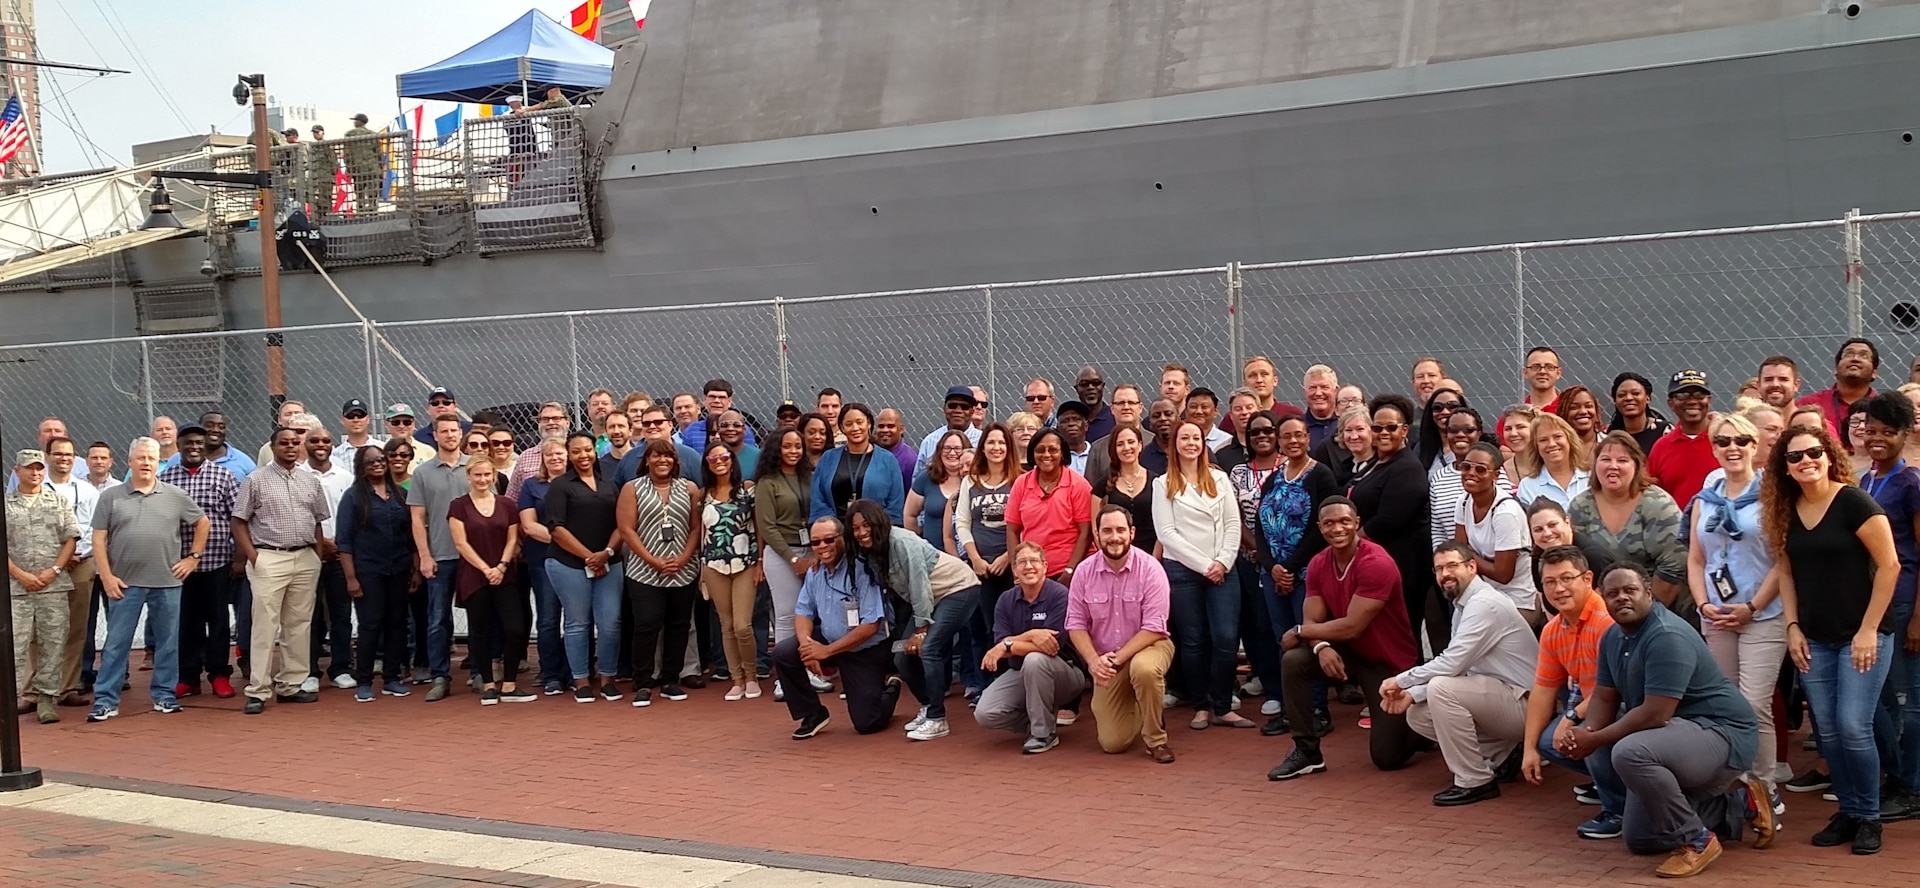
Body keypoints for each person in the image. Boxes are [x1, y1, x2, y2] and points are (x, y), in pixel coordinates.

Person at [1559, 564, 1770, 877]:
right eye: (1613, 593)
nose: (1621, 598)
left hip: (1720, 731)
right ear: (1602, 598)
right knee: (1641, 839)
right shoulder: (1612, 638)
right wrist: (1584, 733)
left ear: (1648, 593)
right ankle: (1739, 804)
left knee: (1628, 751)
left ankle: (1697, 841)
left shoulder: (1666, 634)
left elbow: (1656, 714)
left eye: (1630, 590)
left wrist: (1596, 739)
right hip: (1675, 738)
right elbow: (1605, 696)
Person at [1767, 421, 1900, 853]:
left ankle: (1869, 817)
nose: (1805, 461)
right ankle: (1848, 809)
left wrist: (1867, 630)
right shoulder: (1785, 509)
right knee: (1828, 730)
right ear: (1784, 467)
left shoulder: (1853, 503)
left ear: (1829, 456)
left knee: (1853, 727)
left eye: (1813, 453)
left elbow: (1890, 566)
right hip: (1815, 639)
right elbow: (1786, 572)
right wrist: (1791, 626)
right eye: (1795, 456)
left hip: (1863, 635)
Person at [1268, 498, 1422, 780]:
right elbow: (1312, 618)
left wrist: (1300, 632)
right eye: (1329, 523)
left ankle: (1423, 724)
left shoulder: (1376, 562)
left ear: (1357, 523)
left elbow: (1352, 626)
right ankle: (1307, 752)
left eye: (1344, 521)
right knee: (1294, 660)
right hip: (1347, 653)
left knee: (1387, 758)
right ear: (1319, 527)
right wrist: (1321, 645)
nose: (1337, 528)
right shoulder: (1317, 563)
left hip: (1386, 661)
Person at [1380, 542, 1538, 806]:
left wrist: (1402, 679)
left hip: (1529, 706)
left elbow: (1452, 664)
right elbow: (1462, 666)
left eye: (1452, 566)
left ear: (1472, 567)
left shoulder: (1483, 603)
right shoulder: (1464, 604)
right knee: (1418, 713)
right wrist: (1413, 693)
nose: (1445, 574)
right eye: (1439, 569)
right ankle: (1504, 752)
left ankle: (1475, 781)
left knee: (1441, 688)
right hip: (1503, 698)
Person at [1686, 412, 1787, 811]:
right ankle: (1734, 786)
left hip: (1762, 614)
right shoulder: (1706, 493)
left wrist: (1751, 606)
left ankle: (1764, 789)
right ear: (1713, 447)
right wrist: (1702, 603)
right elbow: (1695, 558)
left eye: (1741, 440)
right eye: (1723, 441)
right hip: (1717, 616)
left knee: (1754, 703)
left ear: (1755, 446)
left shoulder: (1771, 494)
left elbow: (1783, 560)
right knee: (1727, 706)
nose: (1732, 448)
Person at [88, 437, 207, 723]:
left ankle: (165, 695)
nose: (146, 463)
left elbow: (202, 522)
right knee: (117, 643)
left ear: (159, 463)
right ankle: (105, 700)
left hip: (167, 582)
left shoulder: (174, 495)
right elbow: (98, 538)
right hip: (124, 583)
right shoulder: (111, 497)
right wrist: (106, 576)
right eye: (140, 458)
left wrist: (193, 557)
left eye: (151, 459)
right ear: (130, 462)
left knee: (167, 642)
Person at [842, 499, 977, 739]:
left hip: (958, 589)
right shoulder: (871, 551)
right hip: (929, 601)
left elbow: (919, 585)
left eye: (866, 525)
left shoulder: (902, 541)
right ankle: (927, 705)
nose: (861, 533)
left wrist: (921, 629)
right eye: (855, 528)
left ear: (878, 522)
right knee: (902, 656)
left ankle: (937, 719)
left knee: (929, 648)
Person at [1520, 546, 1626, 838]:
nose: (1559, 588)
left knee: (1586, 731)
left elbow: (1615, 688)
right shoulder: (1553, 630)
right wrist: (1529, 749)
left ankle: (1618, 809)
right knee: (1548, 742)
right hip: (1594, 704)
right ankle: (1608, 780)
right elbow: (1542, 690)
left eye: (1567, 578)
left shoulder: (1607, 621)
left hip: (1629, 705)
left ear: (1588, 579)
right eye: (1550, 582)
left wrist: (1570, 716)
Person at [1153, 420, 1251, 730]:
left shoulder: (1220, 479)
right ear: (1175, 444)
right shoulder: (1163, 483)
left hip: (1223, 569)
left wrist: (1222, 562)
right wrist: (1205, 565)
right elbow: (1167, 534)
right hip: (1183, 571)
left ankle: (1223, 705)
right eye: (1184, 438)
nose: (1191, 443)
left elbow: (1234, 524)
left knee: (1225, 638)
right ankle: (1200, 705)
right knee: (1193, 641)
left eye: (1196, 438)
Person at [773, 515, 902, 738]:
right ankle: (813, 714)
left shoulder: (862, 568)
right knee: (784, 653)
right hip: (829, 640)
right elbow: (803, 611)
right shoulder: (815, 570)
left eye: (829, 540)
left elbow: (871, 625)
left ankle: (891, 688)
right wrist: (807, 648)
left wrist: (825, 651)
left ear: (842, 538)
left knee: (867, 723)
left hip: (864, 649)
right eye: (816, 542)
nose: (822, 546)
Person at [232, 426, 331, 715]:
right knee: (264, 626)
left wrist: (317, 554)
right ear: (273, 447)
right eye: (283, 443)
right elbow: (238, 521)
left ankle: (291, 685)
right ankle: (258, 690)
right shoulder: (256, 480)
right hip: (269, 558)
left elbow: (317, 520)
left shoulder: (309, 482)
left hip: (304, 558)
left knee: (298, 625)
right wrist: (253, 557)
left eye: (294, 443)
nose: (290, 447)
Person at [1068, 505, 1176, 762]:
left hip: (1149, 646)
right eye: (1107, 531)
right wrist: (1095, 662)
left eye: (1120, 530)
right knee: (1112, 743)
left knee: (1144, 670)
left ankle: (1156, 739)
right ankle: (1143, 703)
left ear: (1132, 533)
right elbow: (1075, 624)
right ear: (1097, 534)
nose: (1114, 537)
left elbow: (1154, 627)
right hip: (1107, 659)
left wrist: (1117, 659)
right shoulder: (1083, 572)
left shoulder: (1150, 568)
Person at [1855, 393, 1920, 820]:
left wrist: (1917, 618)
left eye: (1888, 432)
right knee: (1877, 698)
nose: (1877, 439)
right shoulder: (1866, 480)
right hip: (1872, 599)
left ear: (1904, 434)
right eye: (1871, 431)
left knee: (1911, 700)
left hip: (1905, 599)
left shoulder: (1911, 483)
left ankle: (1912, 787)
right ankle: (1895, 774)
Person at [1253, 413, 1338, 735]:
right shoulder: (1275, 478)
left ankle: (1317, 708)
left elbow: (1322, 528)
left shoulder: (1321, 475)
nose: (1292, 441)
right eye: (1286, 436)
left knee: (1309, 637)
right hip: (1274, 576)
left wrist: (1289, 567)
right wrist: (1270, 565)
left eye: (1298, 435)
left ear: (1307, 438)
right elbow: (1261, 523)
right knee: (1283, 641)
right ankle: (1291, 709)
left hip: (1306, 574)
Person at [975, 540, 1087, 754]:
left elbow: (1051, 647)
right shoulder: (1005, 600)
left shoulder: (1060, 595)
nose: (1028, 566)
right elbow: (1002, 643)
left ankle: (1043, 735)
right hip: (1021, 672)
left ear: (1045, 566)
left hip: (1066, 673)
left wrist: (1008, 645)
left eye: (1034, 561)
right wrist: (1031, 635)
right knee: (985, 713)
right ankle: (1040, 720)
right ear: (1014, 570)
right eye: (1022, 562)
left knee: (1035, 660)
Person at [154, 425, 241, 701]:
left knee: (218, 621)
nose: (194, 447)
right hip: (180, 567)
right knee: (185, 623)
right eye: (188, 442)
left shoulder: (223, 476)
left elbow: (238, 518)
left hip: (217, 562)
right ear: (178, 445)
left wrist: (238, 556)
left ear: (205, 446)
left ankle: (219, 675)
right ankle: (188, 677)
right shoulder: (165, 479)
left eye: (199, 443)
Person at [617, 438, 705, 708]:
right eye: (656, 456)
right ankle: (643, 682)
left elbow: (695, 528)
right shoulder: (632, 488)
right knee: (647, 624)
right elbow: (626, 530)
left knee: (679, 625)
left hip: (682, 568)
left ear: (675, 460)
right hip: (644, 569)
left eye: (667, 456)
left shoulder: (688, 488)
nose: (662, 461)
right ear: (647, 460)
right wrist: (653, 560)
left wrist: (683, 558)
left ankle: (670, 680)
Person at [1347, 394, 1439, 652]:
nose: (1383, 433)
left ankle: (1407, 687)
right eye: (1377, 428)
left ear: (1405, 430)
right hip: (1376, 563)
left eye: (1391, 427)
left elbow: (1388, 521)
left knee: (1402, 634)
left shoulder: (1407, 468)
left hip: (1403, 568)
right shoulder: (1378, 463)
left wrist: (1349, 545)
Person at [1568, 432, 1688, 622]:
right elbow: (1574, 562)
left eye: (1622, 460)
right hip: (1599, 605)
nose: (1613, 466)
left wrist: (1643, 615)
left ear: (1637, 466)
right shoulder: (1580, 506)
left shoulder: (1658, 504)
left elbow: (1673, 567)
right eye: (1605, 459)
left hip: (1655, 607)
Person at [544, 432, 624, 703]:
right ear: (569, 455)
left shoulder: (609, 485)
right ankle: (581, 681)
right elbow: (556, 528)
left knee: (610, 623)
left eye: (588, 450)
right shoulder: (560, 486)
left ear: (595, 451)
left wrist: (606, 553)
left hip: (609, 563)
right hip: (568, 564)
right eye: (576, 451)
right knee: (578, 623)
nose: (583, 456)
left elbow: (621, 525)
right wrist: (590, 557)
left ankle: (608, 678)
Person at [447, 456, 531, 705]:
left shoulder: (506, 504)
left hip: (504, 574)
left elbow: (512, 539)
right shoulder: (458, 506)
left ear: (494, 476)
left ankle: (510, 684)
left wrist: (502, 566)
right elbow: (461, 543)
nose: (483, 479)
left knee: (514, 628)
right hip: (474, 574)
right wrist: (486, 569)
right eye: (477, 475)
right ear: (469, 476)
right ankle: (488, 685)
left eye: (487, 475)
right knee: (480, 631)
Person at [336, 445, 415, 701]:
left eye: (381, 459)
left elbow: (411, 536)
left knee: (397, 623)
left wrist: (415, 569)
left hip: (399, 569)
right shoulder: (353, 497)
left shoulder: (400, 494)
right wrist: (350, 578)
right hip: (368, 571)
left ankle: (392, 678)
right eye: (371, 462)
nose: (378, 464)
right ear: (362, 466)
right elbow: (344, 540)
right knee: (370, 625)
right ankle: (364, 681)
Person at [8, 449, 80, 724]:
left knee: (53, 642)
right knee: (15, 644)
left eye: (39, 468)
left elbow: (70, 539)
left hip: (53, 586)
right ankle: (10, 698)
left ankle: (47, 699)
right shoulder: (7, 504)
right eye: (29, 468)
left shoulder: (58, 501)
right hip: (17, 588)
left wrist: (55, 570)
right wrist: (20, 575)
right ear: (18, 471)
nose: (35, 473)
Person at [408, 413, 472, 702]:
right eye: (443, 431)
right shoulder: (422, 473)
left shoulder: (475, 468)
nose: (449, 435)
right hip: (440, 556)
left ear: (461, 434)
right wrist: (424, 555)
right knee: (437, 619)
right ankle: (440, 676)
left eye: (454, 430)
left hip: (474, 557)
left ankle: (480, 672)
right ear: (434, 435)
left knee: (480, 617)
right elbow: (417, 517)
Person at [754, 427, 820, 702]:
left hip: (813, 550)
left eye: (798, 446)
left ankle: (810, 668)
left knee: (811, 614)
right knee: (786, 616)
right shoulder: (767, 483)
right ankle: (786, 677)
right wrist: (793, 559)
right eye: (787, 446)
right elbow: (767, 527)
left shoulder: (809, 477)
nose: (793, 451)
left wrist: (814, 554)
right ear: (776, 450)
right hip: (782, 554)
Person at [1455, 441, 1542, 625]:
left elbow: (1503, 574)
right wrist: (1467, 555)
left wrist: (1469, 555)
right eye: (1466, 466)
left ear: (1496, 475)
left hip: (1518, 599)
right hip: (1485, 595)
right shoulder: (1463, 501)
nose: (1471, 473)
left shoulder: (1505, 513)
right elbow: (1458, 552)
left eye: (1480, 469)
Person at [44, 438, 104, 707]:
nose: (63, 458)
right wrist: (57, 559)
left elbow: (96, 528)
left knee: (77, 628)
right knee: (41, 628)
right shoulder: (36, 487)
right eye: (57, 454)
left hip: (81, 564)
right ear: (48, 457)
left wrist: (74, 554)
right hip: (44, 567)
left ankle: (67, 687)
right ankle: (36, 690)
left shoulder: (87, 491)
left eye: (68, 454)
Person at [699, 441, 760, 700]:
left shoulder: (747, 490)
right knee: (726, 625)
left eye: (724, 456)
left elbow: (759, 527)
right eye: (713, 459)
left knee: (742, 625)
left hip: (745, 562)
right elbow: (702, 532)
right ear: (707, 464)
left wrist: (760, 562)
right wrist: (702, 570)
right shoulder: (703, 494)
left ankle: (752, 676)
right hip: (714, 565)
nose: (720, 462)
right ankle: (736, 679)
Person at [300, 425, 357, 692]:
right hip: (307, 554)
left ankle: (341, 667)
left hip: (338, 555)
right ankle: (309, 670)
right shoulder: (297, 475)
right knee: (308, 616)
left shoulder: (344, 477)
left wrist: (339, 545)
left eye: (326, 440)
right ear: (305, 444)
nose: (320, 445)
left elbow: (350, 515)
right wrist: (319, 542)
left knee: (341, 614)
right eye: (314, 441)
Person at [514, 438, 569, 695]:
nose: (555, 458)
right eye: (550, 455)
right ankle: (550, 673)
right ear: (542, 459)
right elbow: (528, 525)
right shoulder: (531, 486)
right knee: (548, 618)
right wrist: (565, 540)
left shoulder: (578, 483)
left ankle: (574, 671)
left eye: (560, 453)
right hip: (542, 559)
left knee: (575, 618)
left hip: (575, 560)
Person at [1006, 428, 1093, 581]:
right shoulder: (1021, 483)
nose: (1046, 455)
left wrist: (1070, 571)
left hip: (1069, 570)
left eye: (1053, 450)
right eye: (1040, 450)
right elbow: (1012, 530)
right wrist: (1016, 567)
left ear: (1063, 453)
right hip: (1032, 570)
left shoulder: (1078, 484)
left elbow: (1086, 533)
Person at [811, 402, 905, 523]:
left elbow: (895, 503)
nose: (855, 428)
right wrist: (833, 527)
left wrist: (876, 527)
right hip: (836, 533)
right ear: (842, 427)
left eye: (859, 422)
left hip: (876, 532)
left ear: (869, 424)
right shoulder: (828, 458)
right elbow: (818, 499)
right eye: (849, 424)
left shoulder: (888, 460)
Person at [1430, 406, 1501, 549]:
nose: (1460, 434)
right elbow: (1438, 531)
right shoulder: (1438, 478)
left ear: (1479, 434)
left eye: (1468, 430)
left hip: (1492, 558)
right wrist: (1444, 559)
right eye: (1453, 430)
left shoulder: (1493, 472)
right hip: (1454, 562)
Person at [1648, 370, 1718, 509]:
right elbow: (1652, 497)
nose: (1692, 401)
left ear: (1708, 400)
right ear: (1670, 403)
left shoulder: (1727, 441)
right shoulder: (1661, 447)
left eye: (1699, 395)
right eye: (1682, 395)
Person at [1091, 425, 1159, 557]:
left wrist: (1154, 560)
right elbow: (1095, 528)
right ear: (1114, 449)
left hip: (1152, 556)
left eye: (1131, 442)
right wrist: (1109, 557)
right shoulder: (1101, 486)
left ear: (1140, 445)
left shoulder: (1157, 482)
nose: (1127, 448)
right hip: (1116, 556)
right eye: (1120, 444)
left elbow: (1163, 527)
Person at [1515, 411, 1591, 509]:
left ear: (1569, 440)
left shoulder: (1592, 477)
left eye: (1557, 437)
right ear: (1536, 446)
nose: (1552, 444)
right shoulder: (1527, 486)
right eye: (1543, 440)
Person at [1798, 338, 1880, 429]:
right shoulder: (1809, 405)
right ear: (1836, 369)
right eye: (1848, 354)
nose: (1855, 359)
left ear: (1874, 373)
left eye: (1864, 356)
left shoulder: (1884, 408)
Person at [615, 403, 703, 486]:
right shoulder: (629, 458)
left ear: (670, 424)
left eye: (658, 422)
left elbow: (703, 489)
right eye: (646, 423)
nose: (652, 426)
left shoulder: (690, 456)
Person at [907, 430, 968, 549]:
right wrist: (917, 543)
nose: (952, 453)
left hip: (968, 555)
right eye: (947, 448)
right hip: (933, 553)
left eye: (957, 448)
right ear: (939, 451)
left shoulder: (975, 480)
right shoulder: (926, 478)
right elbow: (910, 514)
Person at [506, 402, 573, 499]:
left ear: (567, 422)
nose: (550, 423)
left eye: (555, 418)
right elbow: (512, 498)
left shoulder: (577, 453)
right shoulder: (525, 457)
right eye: (545, 419)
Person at [915, 386, 984, 475]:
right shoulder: (930, 441)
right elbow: (917, 480)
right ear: (944, 408)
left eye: (964, 407)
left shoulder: (983, 441)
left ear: (972, 411)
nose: (958, 410)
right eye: (952, 405)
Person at [1607, 372, 1672, 455]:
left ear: (1648, 398)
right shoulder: (1609, 434)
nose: (1628, 398)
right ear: (1615, 401)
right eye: (1621, 395)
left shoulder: (1665, 431)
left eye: (1636, 393)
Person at [1312, 405, 1373, 488]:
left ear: (1373, 431)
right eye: (1348, 430)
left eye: (1360, 429)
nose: (1354, 436)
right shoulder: (1343, 469)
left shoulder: (1382, 467)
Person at [1416, 386, 1468, 475]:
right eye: (1437, 407)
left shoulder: (1478, 446)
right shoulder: (1422, 449)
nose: (1445, 412)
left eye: (1452, 406)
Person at [342, 113, 383, 216]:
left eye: (355, 120)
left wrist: (349, 168)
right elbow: (378, 153)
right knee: (373, 192)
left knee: (359, 192)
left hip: (358, 168)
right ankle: (373, 212)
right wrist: (381, 168)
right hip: (372, 168)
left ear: (359, 121)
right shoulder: (373, 134)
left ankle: (361, 213)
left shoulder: (349, 135)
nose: (354, 122)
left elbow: (347, 154)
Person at [874, 408, 917, 492]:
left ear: (901, 429)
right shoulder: (871, 453)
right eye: (881, 426)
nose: (885, 430)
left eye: (890, 426)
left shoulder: (910, 460)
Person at [1553, 385, 1605, 452]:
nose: (1583, 411)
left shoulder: (1611, 443)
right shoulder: (1555, 447)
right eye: (1574, 407)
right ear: (1563, 413)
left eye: (1588, 406)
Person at [1301, 365, 1341, 451]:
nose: (1318, 393)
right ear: (1304, 392)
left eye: (1324, 387)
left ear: (1336, 390)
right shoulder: (1297, 427)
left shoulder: (1347, 426)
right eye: (1312, 388)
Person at [1072, 366, 1116, 441]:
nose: (1090, 387)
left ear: (1103, 386)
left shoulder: (1115, 417)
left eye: (1096, 383)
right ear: (1076, 389)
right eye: (1084, 384)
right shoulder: (1070, 420)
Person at [1184, 388, 1232, 453]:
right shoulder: (1178, 439)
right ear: (1186, 411)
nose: (1199, 411)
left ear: (1215, 411)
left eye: (1204, 407)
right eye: (1193, 407)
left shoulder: (1227, 441)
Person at [1055, 400, 1095, 474]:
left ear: (1086, 425)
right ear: (1058, 429)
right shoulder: (1055, 457)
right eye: (1065, 421)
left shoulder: (1097, 454)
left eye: (1076, 419)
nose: (1071, 424)